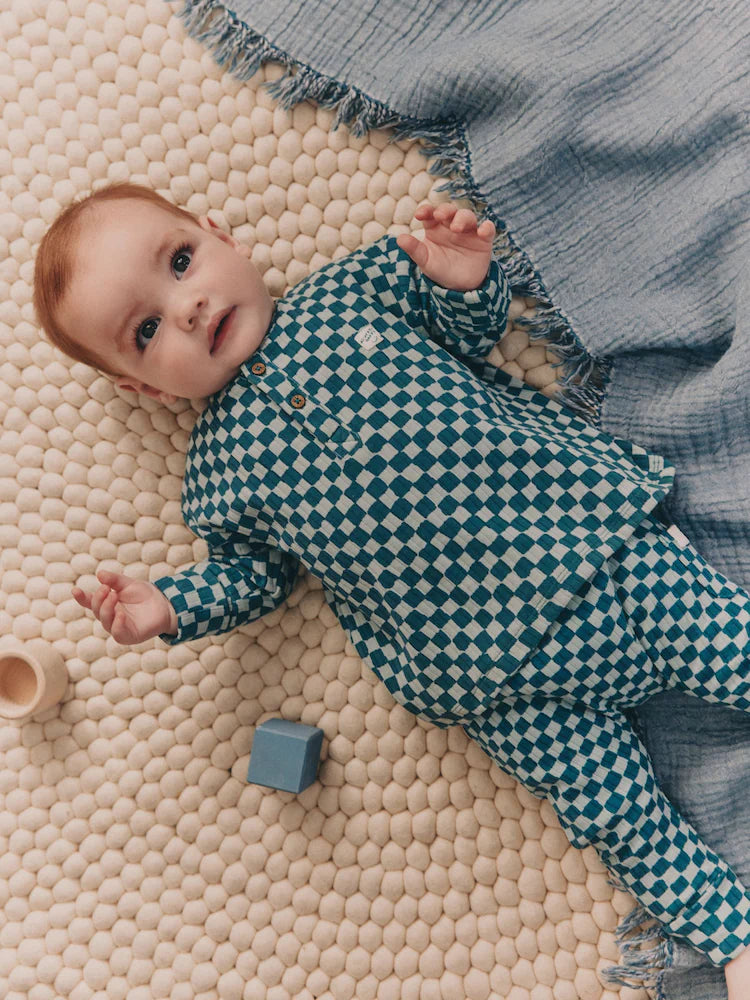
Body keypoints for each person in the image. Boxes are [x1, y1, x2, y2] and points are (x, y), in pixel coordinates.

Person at [33, 182, 750, 995]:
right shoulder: (216, 480)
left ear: (218, 233)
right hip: (493, 679)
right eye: (148, 329)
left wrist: (466, 279)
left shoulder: (358, 288)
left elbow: (471, 338)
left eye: (181, 262)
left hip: (591, 544)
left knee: (730, 644)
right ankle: (731, 933)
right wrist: (168, 607)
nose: (188, 308)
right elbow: (255, 577)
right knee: (616, 814)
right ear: (147, 390)